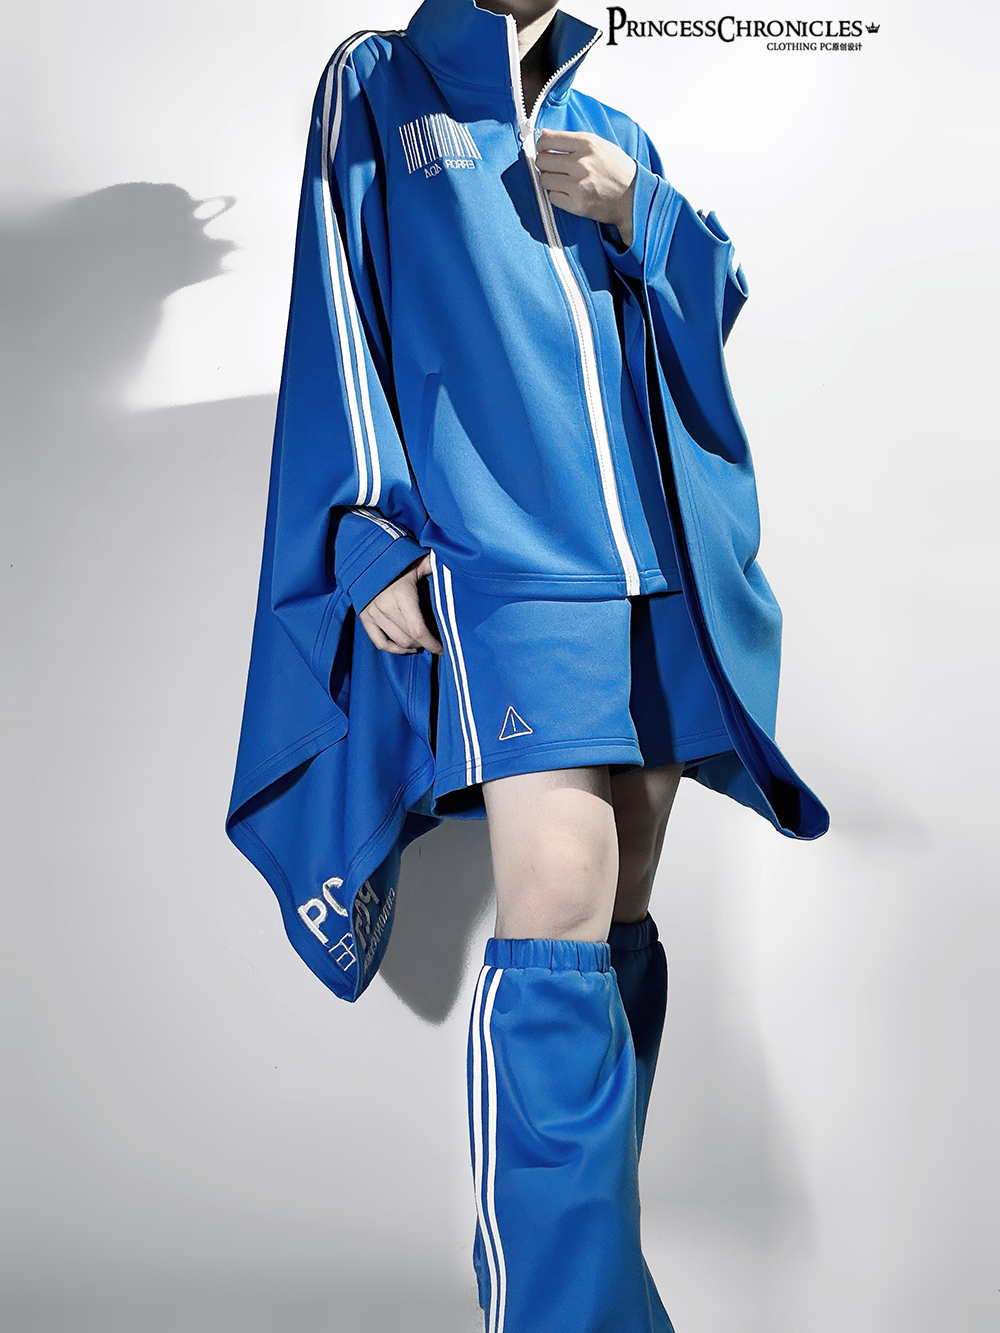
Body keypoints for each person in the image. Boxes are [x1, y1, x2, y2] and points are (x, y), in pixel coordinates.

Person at [226, 0, 829, 1329]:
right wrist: (366, 524)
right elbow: (338, 301)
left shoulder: (615, 133)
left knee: (613, 925)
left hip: (658, 575)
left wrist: (642, 210)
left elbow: (705, 318)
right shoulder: (383, 80)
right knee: (554, 911)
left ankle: (602, 1298)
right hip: (509, 572)